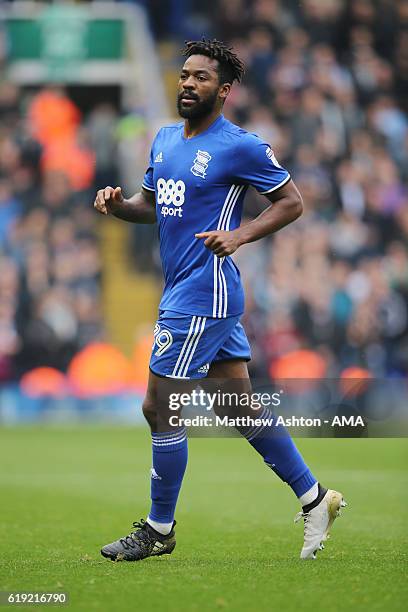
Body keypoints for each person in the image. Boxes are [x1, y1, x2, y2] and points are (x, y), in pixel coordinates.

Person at [94, 39, 346, 562]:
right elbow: (154, 204)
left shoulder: (241, 146)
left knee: (158, 404)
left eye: (201, 78)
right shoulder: (163, 140)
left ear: (224, 90)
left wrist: (242, 234)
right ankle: (315, 499)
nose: (188, 83)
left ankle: (159, 530)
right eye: (185, 75)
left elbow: (291, 202)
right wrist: (121, 206)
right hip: (192, 288)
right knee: (240, 407)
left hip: (202, 293)